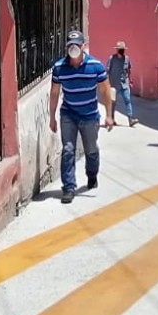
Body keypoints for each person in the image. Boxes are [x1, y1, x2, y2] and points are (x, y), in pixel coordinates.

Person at [50, 30, 114, 204]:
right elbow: (55, 92)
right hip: (68, 114)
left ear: (83, 46)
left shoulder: (96, 66)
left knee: (91, 149)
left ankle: (92, 174)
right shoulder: (59, 68)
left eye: (77, 45)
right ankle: (68, 188)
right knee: (68, 150)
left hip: (89, 116)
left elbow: (105, 90)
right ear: (66, 47)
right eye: (70, 45)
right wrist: (52, 117)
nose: (74, 48)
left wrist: (109, 115)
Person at [107, 40, 139, 127]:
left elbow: (129, 70)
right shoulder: (112, 58)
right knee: (113, 102)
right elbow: (107, 70)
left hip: (124, 83)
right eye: (120, 49)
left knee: (127, 100)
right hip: (114, 84)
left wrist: (130, 81)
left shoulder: (127, 58)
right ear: (117, 49)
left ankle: (130, 119)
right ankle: (111, 119)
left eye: (123, 49)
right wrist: (107, 83)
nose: (122, 50)